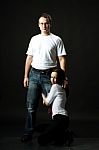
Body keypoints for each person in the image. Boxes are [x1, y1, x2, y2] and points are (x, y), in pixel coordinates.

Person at [21, 12, 68, 143]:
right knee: (31, 106)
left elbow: (62, 59)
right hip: (34, 74)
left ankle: (57, 134)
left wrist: (63, 77)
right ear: (38, 25)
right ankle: (28, 132)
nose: (44, 26)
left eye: (46, 23)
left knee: (54, 107)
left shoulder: (56, 39)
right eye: (41, 23)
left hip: (50, 75)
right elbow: (29, 58)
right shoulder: (34, 39)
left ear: (50, 24)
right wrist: (26, 76)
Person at [37, 68, 72, 146]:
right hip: (63, 120)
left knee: (41, 140)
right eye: (51, 77)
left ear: (59, 78)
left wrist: (42, 94)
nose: (52, 80)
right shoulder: (62, 88)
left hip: (60, 118)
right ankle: (64, 134)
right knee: (40, 129)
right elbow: (48, 102)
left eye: (55, 77)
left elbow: (46, 103)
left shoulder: (55, 86)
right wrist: (46, 99)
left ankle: (66, 135)